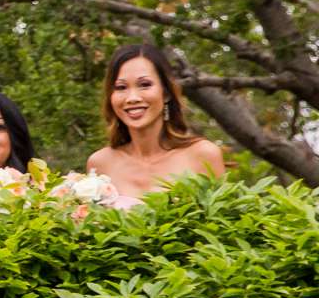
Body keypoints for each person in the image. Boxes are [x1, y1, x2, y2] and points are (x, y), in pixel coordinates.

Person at [86, 42, 224, 207]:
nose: (132, 98)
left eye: (144, 85)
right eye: (121, 87)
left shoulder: (203, 155)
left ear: (166, 93)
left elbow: (226, 227)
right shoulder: (100, 163)